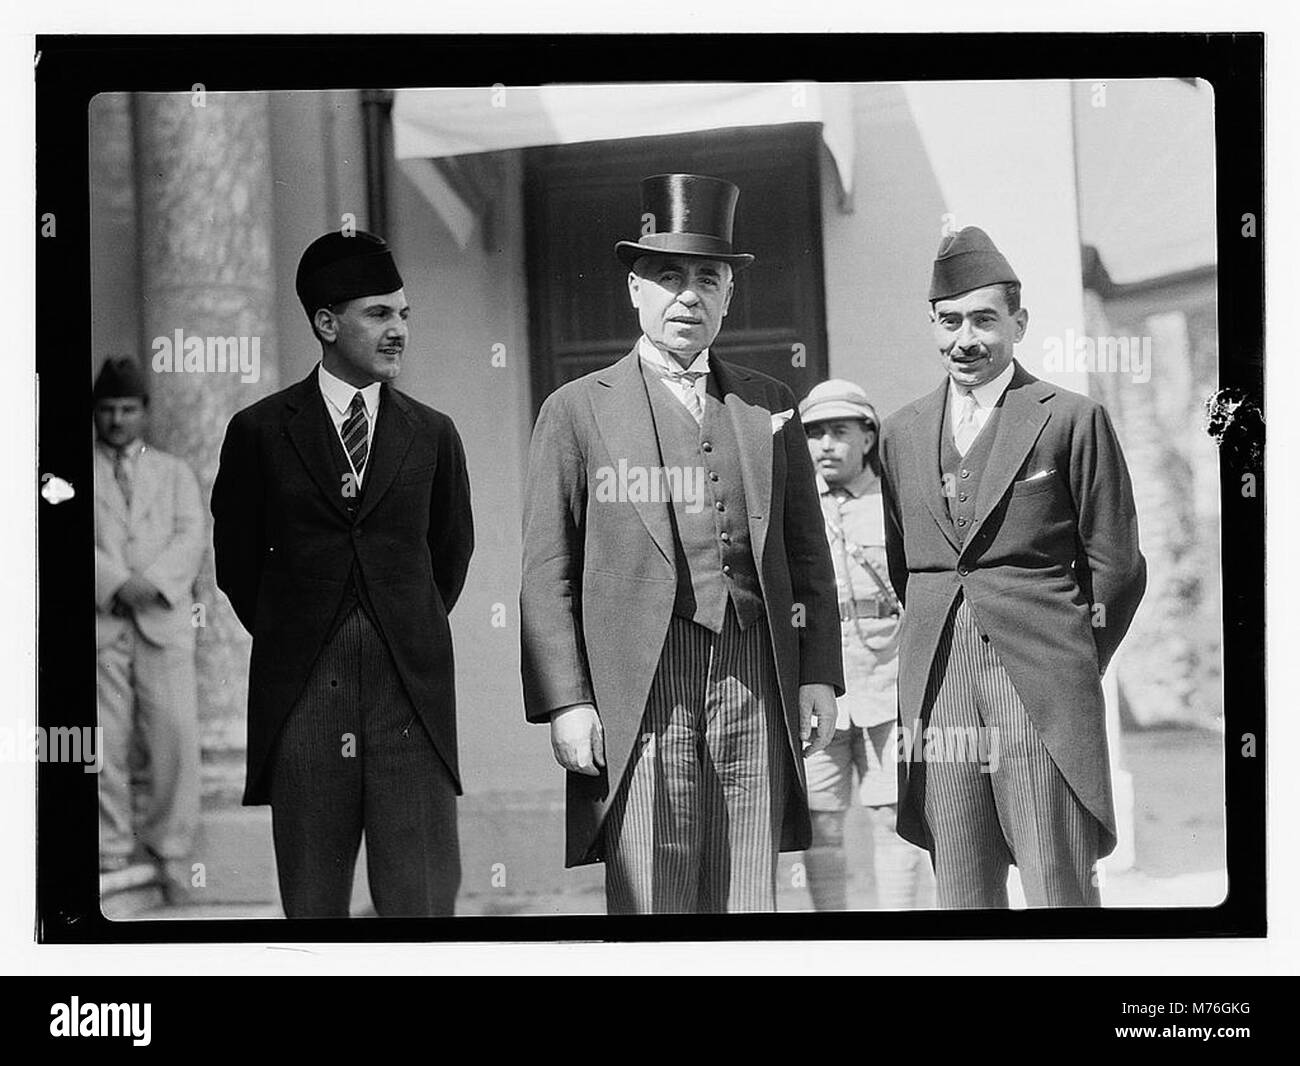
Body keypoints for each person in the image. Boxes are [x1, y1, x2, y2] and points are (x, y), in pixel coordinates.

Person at [520, 173, 843, 914]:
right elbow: (546, 572)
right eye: (668, 277)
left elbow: (806, 553)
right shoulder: (576, 411)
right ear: (635, 289)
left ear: (729, 296)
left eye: (709, 278)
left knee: (748, 890)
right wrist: (567, 702)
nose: (688, 296)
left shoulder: (768, 403)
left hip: (752, 669)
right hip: (642, 679)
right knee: (651, 889)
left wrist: (818, 671)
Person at [878, 226, 1146, 908]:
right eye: (948, 322)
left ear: (1018, 324)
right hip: (939, 686)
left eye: (983, 320)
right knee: (963, 889)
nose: (964, 340)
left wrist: (1071, 660)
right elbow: (905, 561)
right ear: (931, 325)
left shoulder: (1071, 420)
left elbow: (1116, 563)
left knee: (1058, 883)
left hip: (1040, 681)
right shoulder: (902, 432)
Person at [211, 230, 474, 917]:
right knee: (313, 903)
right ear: (327, 323)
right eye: (378, 314)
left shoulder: (434, 434)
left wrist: (394, 623)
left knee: (420, 903)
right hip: (303, 695)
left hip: (409, 699)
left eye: (405, 316)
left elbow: (450, 557)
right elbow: (239, 566)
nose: (398, 332)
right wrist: (303, 628)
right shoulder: (260, 432)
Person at [799, 378, 934, 911]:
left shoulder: (897, 503)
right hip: (819, 689)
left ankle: (897, 944)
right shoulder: (794, 505)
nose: (826, 444)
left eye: (839, 431)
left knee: (891, 815)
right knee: (819, 820)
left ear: (869, 437)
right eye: (814, 433)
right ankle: (832, 940)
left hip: (887, 681)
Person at [93, 356, 204, 900]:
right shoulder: (63, 475)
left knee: (175, 737)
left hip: (161, 621)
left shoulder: (173, 471)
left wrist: (151, 582)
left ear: (144, 412)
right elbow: (51, 534)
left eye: (127, 408)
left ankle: (172, 853)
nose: (117, 419)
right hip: (102, 623)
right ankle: (108, 852)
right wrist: (114, 581)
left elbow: (192, 536)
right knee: (102, 741)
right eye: (108, 409)